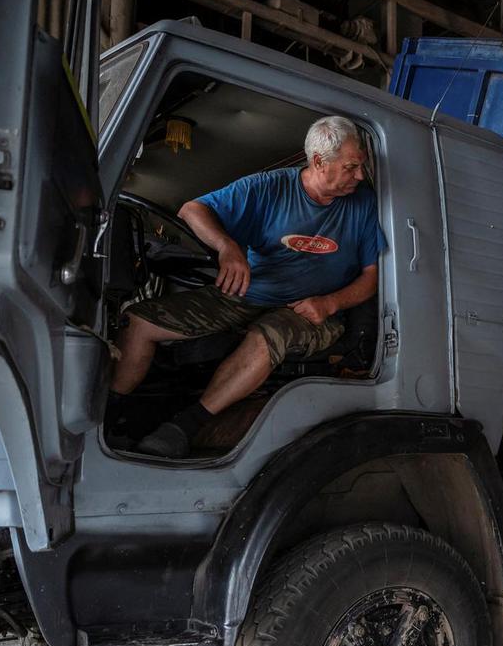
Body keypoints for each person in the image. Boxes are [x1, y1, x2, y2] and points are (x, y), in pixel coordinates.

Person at [109, 115, 382, 458]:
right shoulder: (269, 188)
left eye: (361, 167)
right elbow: (192, 210)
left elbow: (371, 277)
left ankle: (182, 427)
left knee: (268, 334)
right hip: (247, 295)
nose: (359, 175)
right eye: (351, 167)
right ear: (318, 162)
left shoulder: (364, 203)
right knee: (137, 321)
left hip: (314, 311)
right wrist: (227, 246)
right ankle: (108, 420)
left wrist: (330, 303)